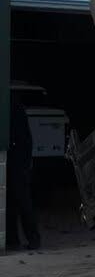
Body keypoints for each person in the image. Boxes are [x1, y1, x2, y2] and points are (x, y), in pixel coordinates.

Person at [6, 92, 40, 250]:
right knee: (16, 201)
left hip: (17, 159)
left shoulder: (13, 108)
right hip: (19, 159)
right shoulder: (16, 107)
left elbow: (20, 138)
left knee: (20, 200)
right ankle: (16, 239)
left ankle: (27, 239)